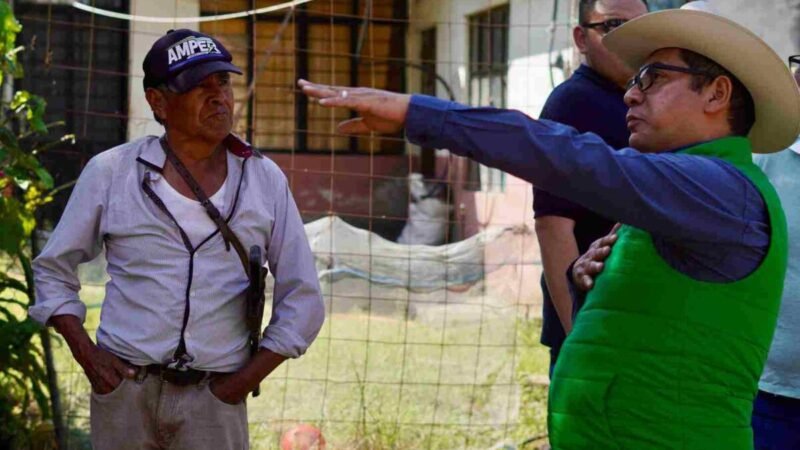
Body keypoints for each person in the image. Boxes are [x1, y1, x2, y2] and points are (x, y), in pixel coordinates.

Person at [297, 6, 800, 448]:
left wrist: (419, 114)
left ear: (717, 94)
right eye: (632, 79)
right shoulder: (687, 192)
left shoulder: (720, 189)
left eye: (652, 78)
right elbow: (655, 332)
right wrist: (594, 287)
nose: (630, 95)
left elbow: (575, 158)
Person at [29, 29, 325, 449]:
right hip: (125, 393)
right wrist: (87, 355)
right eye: (198, 86)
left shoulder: (263, 180)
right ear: (158, 102)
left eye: (223, 82)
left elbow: (304, 298)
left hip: (215, 400)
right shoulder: (113, 173)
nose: (218, 96)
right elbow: (52, 270)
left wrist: (239, 385)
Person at [533, 0, 648, 376]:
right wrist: (577, 337)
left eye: (641, 28)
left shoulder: (641, 101)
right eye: (614, 26)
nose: (631, 41)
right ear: (581, 38)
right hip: (591, 327)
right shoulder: (572, 104)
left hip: (637, 321)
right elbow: (553, 226)